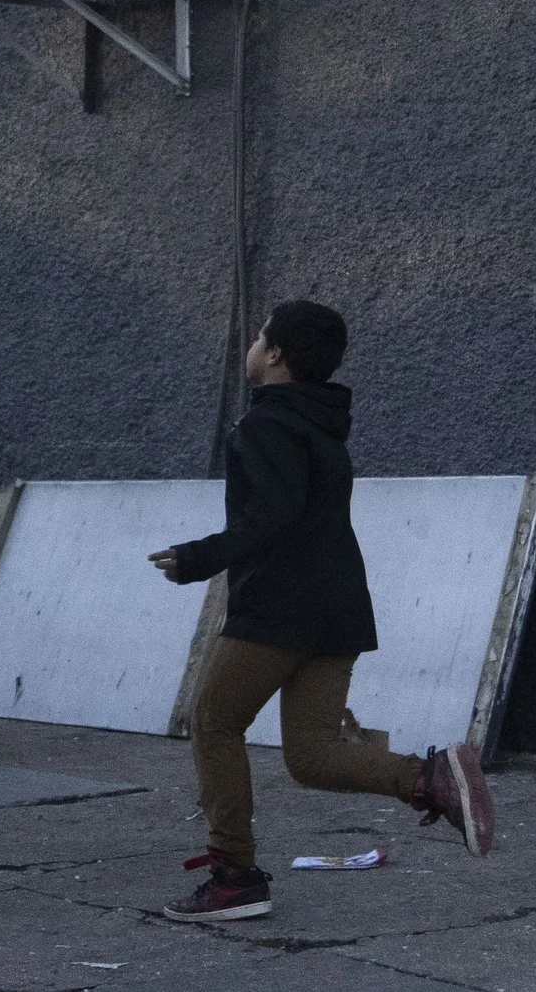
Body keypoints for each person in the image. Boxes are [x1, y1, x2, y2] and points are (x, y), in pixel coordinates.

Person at [147, 299, 494, 922]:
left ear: (275, 354)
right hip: (336, 613)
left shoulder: (266, 426)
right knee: (311, 756)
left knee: (214, 724)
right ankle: (429, 777)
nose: (251, 345)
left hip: (280, 611)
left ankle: (235, 877)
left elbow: (271, 518)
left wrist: (198, 557)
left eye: (258, 336)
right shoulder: (322, 428)